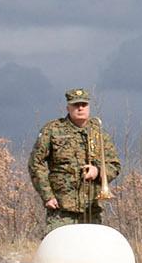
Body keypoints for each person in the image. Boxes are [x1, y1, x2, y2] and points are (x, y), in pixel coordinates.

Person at [29, 88, 121, 230]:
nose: (80, 108)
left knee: (91, 250)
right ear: (68, 107)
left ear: (88, 107)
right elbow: (36, 163)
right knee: (59, 249)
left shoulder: (98, 132)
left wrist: (97, 171)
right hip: (61, 208)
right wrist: (47, 195)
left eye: (84, 105)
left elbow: (114, 165)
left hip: (91, 208)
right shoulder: (52, 130)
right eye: (76, 105)